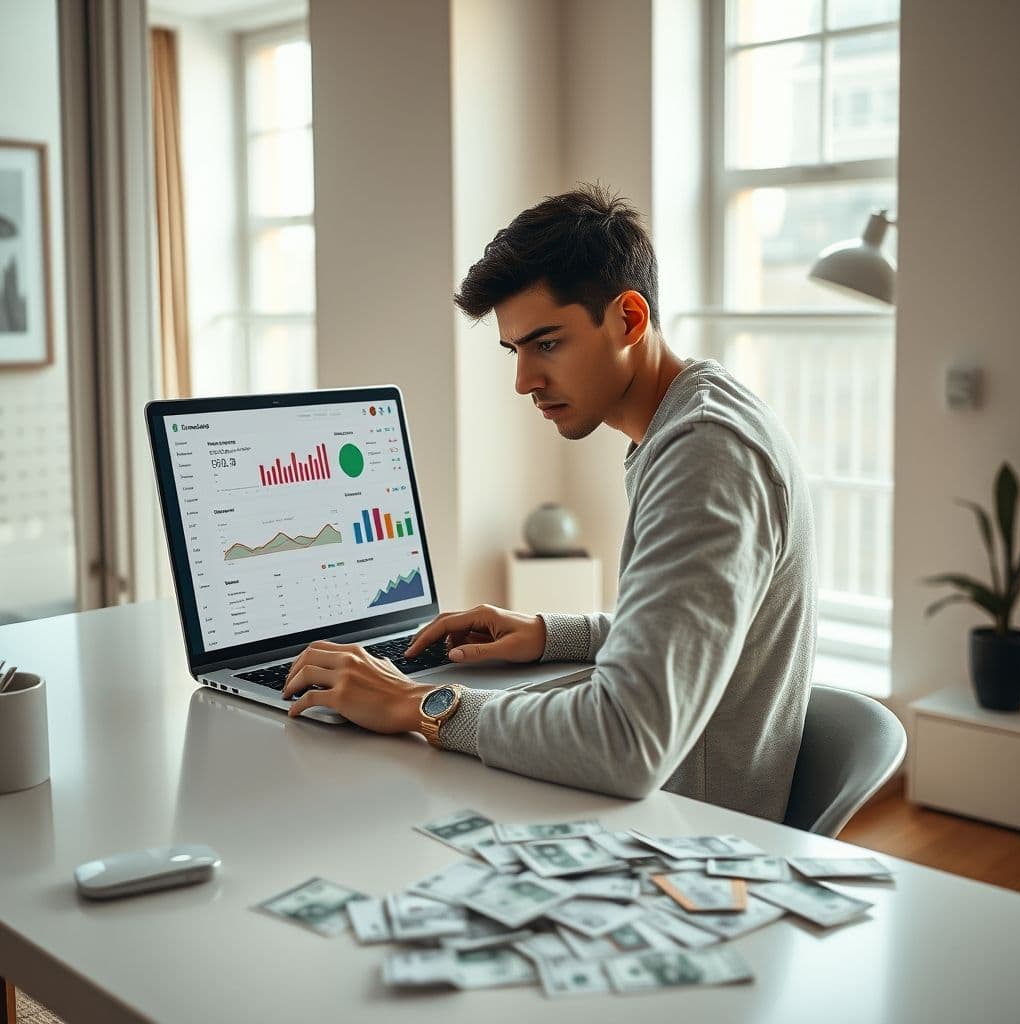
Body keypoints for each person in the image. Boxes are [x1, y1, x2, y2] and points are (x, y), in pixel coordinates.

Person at [282, 184, 817, 822]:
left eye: (547, 344)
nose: (523, 381)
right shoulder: (695, 417)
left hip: (686, 846)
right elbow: (694, 630)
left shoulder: (704, 454)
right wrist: (546, 635)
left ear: (629, 319)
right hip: (664, 810)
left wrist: (417, 705)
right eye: (515, 350)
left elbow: (626, 743)